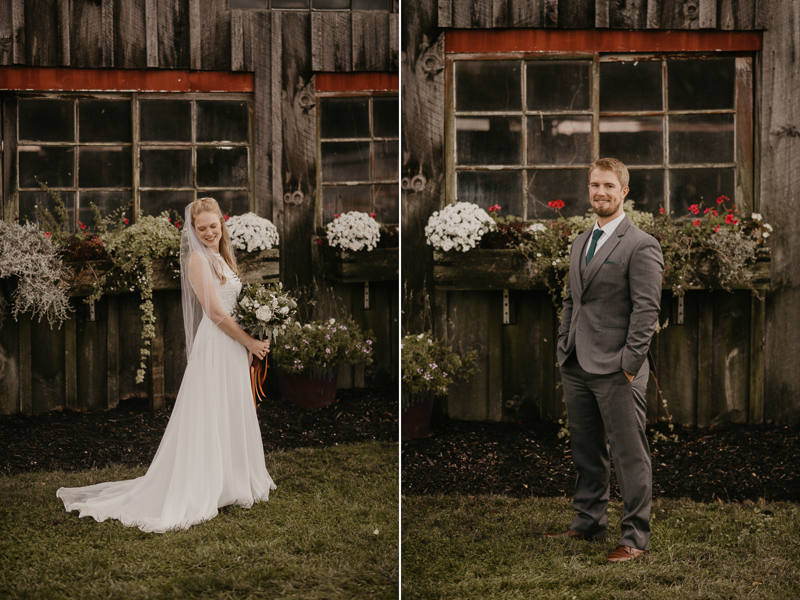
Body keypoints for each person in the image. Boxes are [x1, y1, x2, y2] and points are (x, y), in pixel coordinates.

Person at [56, 198, 276, 533]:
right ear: (192, 229)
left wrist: (255, 331)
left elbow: (235, 305)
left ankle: (234, 481)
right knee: (210, 413)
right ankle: (208, 484)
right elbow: (216, 314)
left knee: (229, 409)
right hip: (217, 344)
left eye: (213, 226)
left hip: (233, 344)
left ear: (222, 222)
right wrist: (248, 341)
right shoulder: (198, 262)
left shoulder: (221, 256)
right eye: (201, 229)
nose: (208, 233)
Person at [546, 158, 663, 563]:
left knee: (630, 456)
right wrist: (565, 343)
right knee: (585, 449)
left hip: (618, 369)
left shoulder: (640, 244)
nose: (601, 192)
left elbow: (646, 313)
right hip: (576, 364)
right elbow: (570, 300)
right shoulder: (581, 240)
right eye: (595, 185)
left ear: (624, 191)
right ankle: (588, 521)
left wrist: (629, 365)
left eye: (609, 186)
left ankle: (634, 538)